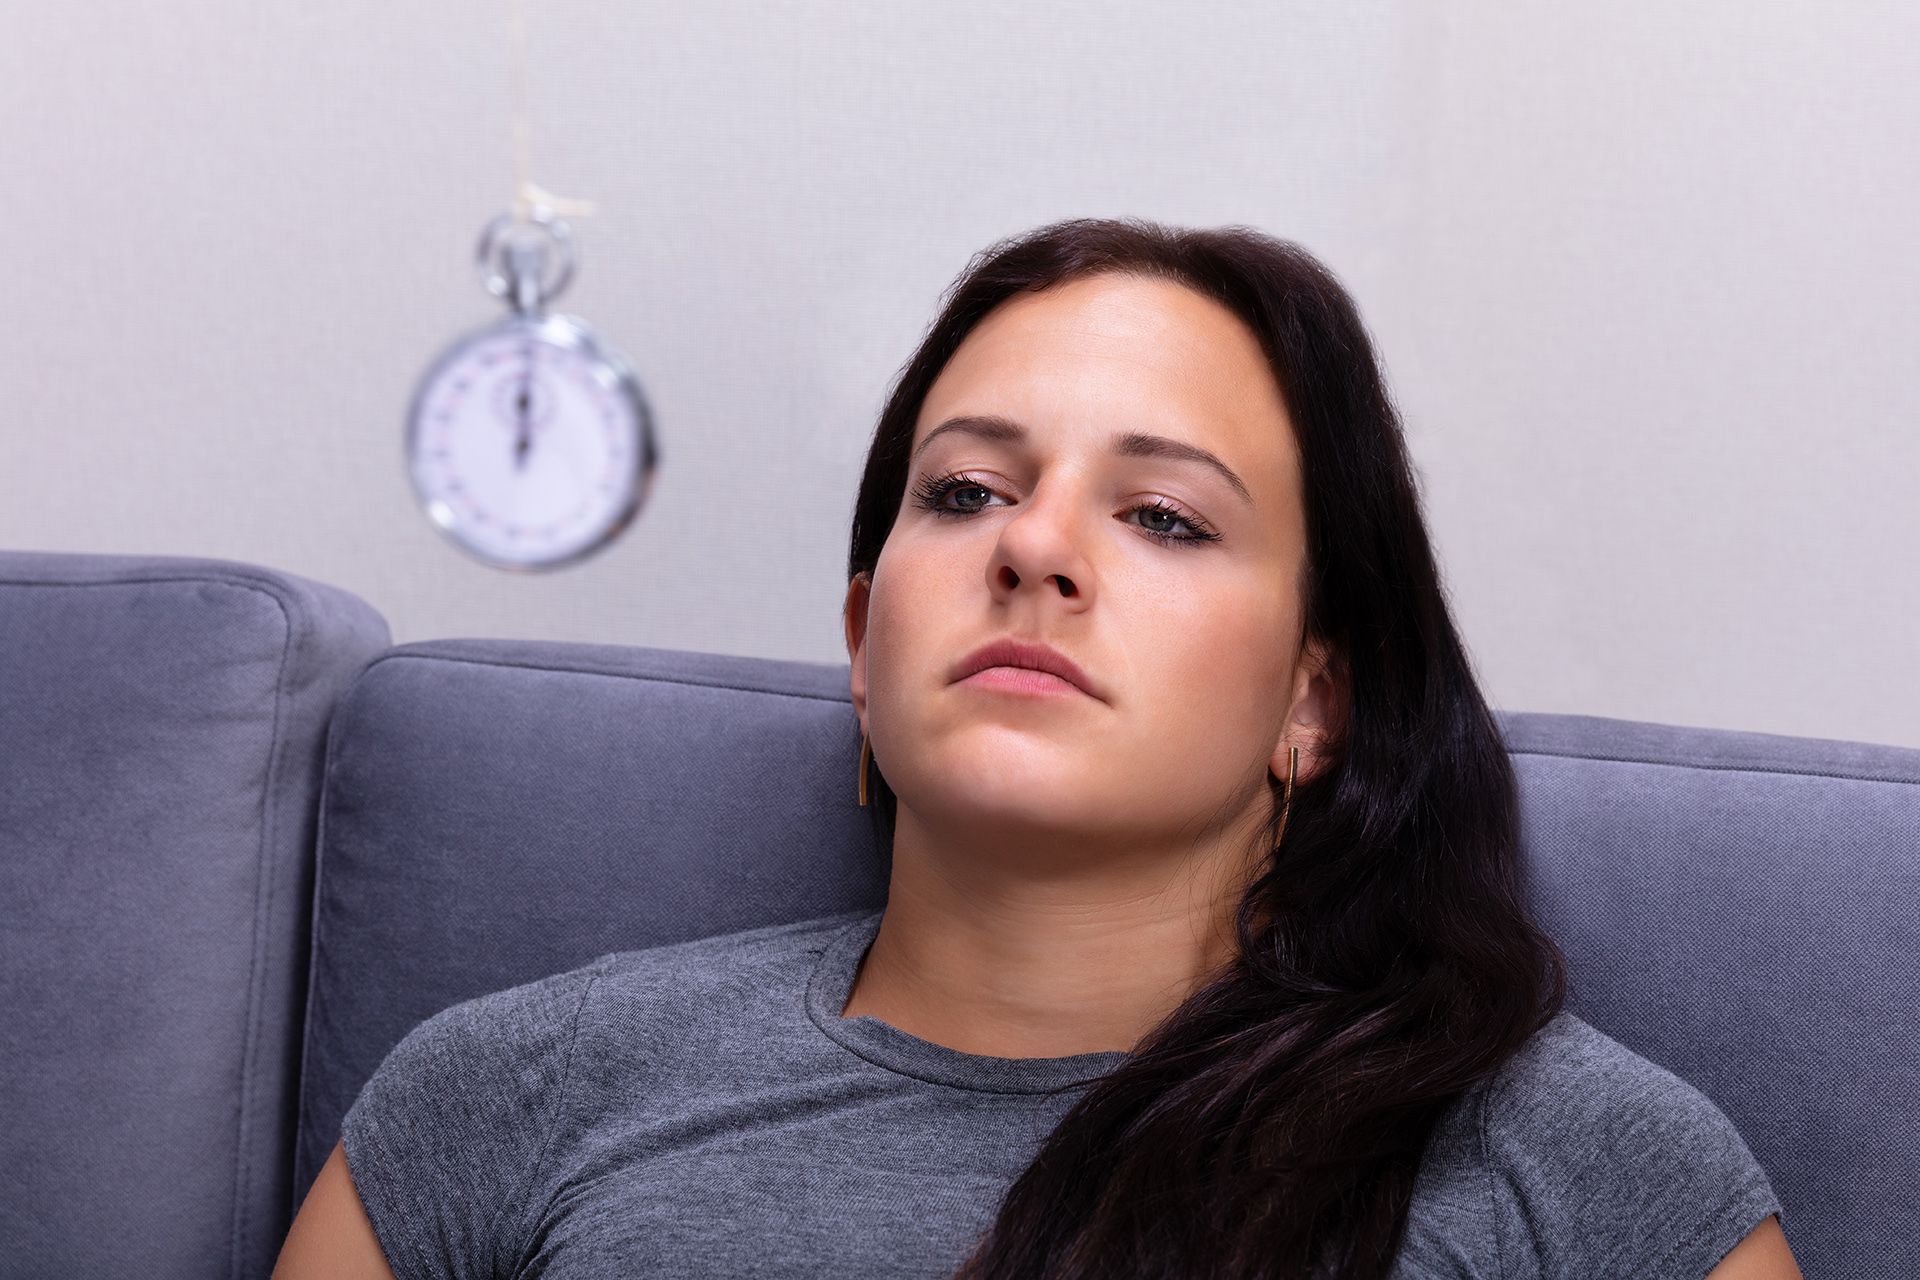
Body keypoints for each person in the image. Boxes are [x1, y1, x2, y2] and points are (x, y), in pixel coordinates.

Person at [274, 217, 1800, 1279]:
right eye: (966, 493)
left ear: (1314, 701)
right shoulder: (511, 1093)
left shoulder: (1583, 1167)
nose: (1035, 547)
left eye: (1165, 517)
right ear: (863, 638)